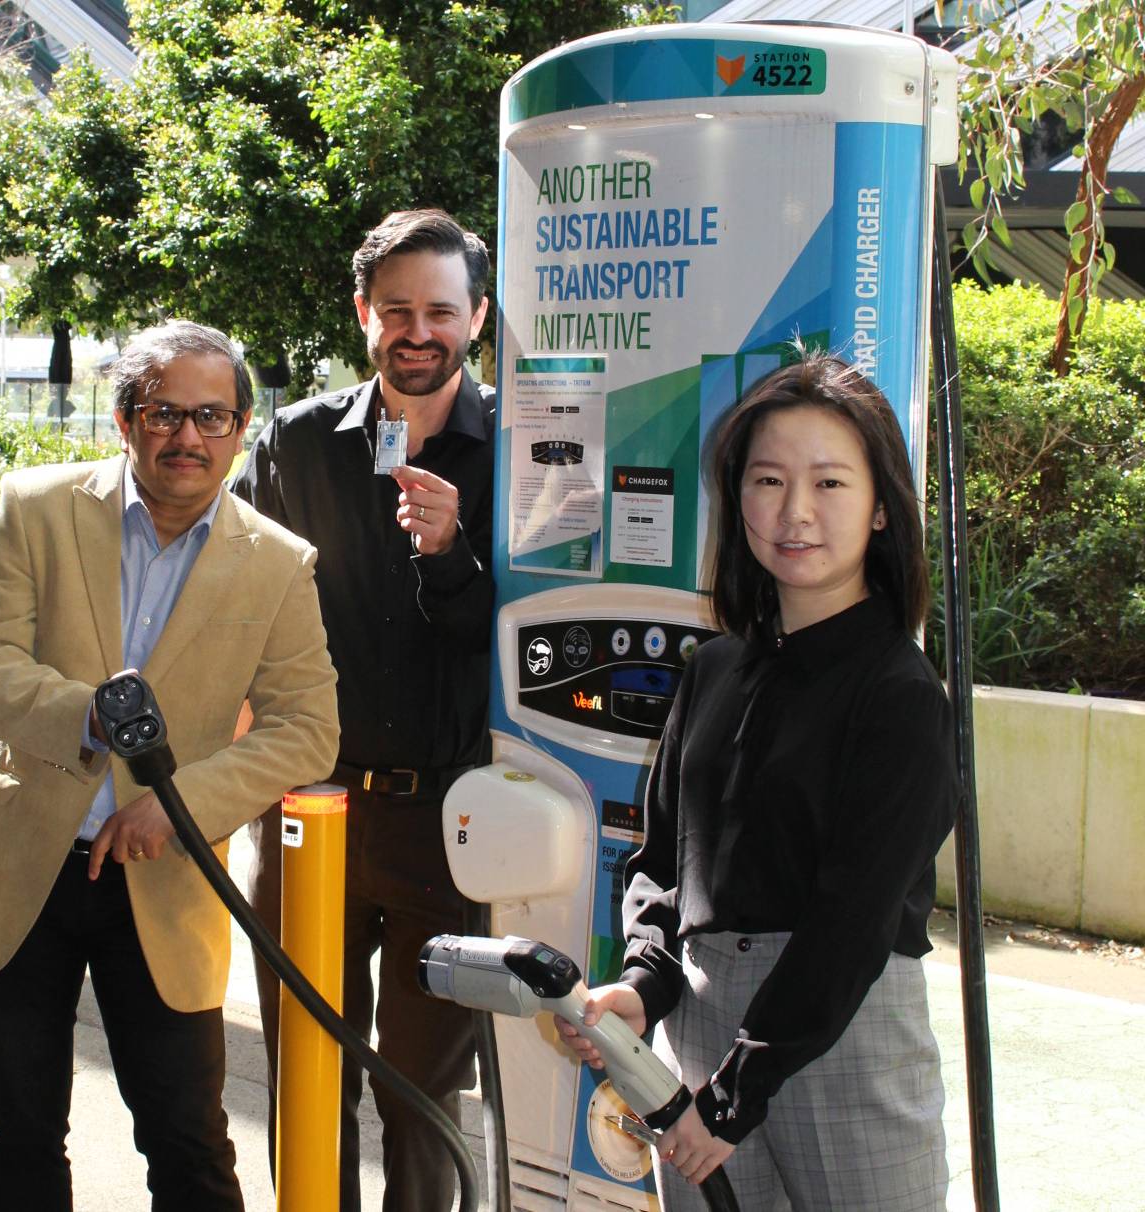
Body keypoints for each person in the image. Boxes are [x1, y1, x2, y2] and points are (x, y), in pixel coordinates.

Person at [0, 320, 340, 1212]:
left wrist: (176, 806)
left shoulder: (279, 565)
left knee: (188, 1145)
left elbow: (307, 730)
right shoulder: (36, 507)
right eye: (164, 413)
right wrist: (86, 715)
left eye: (212, 417)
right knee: (20, 1132)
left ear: (242, 425)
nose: (188, 437)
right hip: (22, 864)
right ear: (124, 419)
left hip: (166, 876)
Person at [556, 352, 955, 1210]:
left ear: (883, 507)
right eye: (769, 480)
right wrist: (641, 983)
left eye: (831, 484)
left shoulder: (901, 693)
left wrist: (738, 1092)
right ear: (737, 501)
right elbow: (662, 863)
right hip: (695, 1032)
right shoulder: (715, 669)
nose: (795, 512)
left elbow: (855, 918)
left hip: (836, 1040)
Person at [231, 208, 494, 1212]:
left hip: (451, 825)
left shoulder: (526, 446)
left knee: (424, 1096)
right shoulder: (298, 444)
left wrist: (452, 556)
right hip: (310, 813)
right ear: (363, 316)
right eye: (396, 311)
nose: (416, 332)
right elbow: (245, 612)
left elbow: (528, 642)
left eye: (439, 310)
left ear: (477, 317)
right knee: (309, 1070)